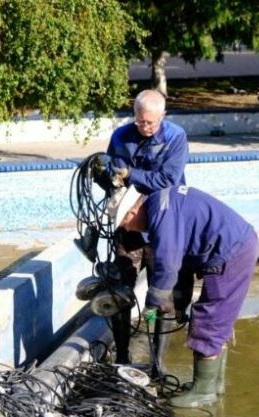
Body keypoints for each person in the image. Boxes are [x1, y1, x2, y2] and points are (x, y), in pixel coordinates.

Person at [112, 184, 259, 408]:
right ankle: (214, 385)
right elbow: (182, 264)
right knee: (218, 319)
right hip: (234, 247)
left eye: (125, 224)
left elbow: (168, 267)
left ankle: (204, 391)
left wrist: (151, 304)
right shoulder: (161, 204)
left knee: (209, 318)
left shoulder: (160, 217)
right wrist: (180, 304)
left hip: (231, 252)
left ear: (132, 212)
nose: (130, 230)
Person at [103, 89, 189, 371]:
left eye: (150, 123)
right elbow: (111, 175)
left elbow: (167, 179)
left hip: (163, 224)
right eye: (140, 122)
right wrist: (107, 174)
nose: (144, 127)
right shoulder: (120, 136)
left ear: (163, 116)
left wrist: (131, 175)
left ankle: (157, 362)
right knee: (119, 290)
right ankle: (123, 358)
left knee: (160, 296)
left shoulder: (176, 137)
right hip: (129, 224)